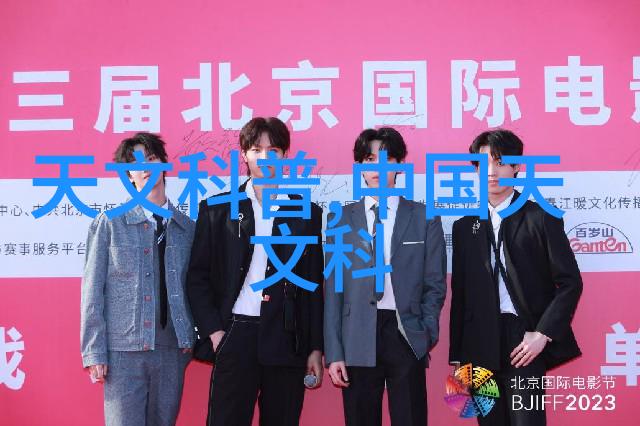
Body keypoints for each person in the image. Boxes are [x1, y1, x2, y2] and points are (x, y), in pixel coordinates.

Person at [186, 117, 324, 426]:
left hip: (287, 337)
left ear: (285, 155)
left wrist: (315, 348)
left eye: (273, 150)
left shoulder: (307, 213)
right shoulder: (218, 209)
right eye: (256, 149)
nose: (265, 157)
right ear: (244, 155)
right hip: (235, 334)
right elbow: (197, 277)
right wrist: (215, 332)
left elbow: (313, 285)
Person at [449, 129, 583, 426]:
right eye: (483, 164)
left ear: (516, 166)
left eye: (500, 162)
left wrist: (542, 333)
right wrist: (458, 355)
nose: (492, 172)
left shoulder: (541, 217)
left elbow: (570, 282)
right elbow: (461, 295)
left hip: (523, 341)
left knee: (528, 421)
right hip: (479, 342)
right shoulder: (464, 227)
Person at [324, 127, 447, 426]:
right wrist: (334, 351)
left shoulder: (424, 217)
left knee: (410, 418)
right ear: (360, 167)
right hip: (356, 335)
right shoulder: (340, 218)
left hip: (406, 332)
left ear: (400, 165)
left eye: (387, 159)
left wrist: (426, 331)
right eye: (370, 160)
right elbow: (333, 289)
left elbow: (435, 283)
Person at [80, 132, 195, 426]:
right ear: (128, 175)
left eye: (151, 158)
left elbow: (197, 287)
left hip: (172, 350)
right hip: (124, 351)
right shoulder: (110, 223)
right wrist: (94, 350)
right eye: (135, 164)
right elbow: (92, 290)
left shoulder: (187, 228)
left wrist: (190, 335)